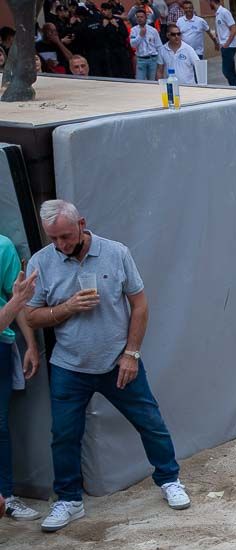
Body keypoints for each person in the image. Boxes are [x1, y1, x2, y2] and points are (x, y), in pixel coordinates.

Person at [23, 200, 191, 532]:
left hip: (117, 361)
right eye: (54, 239)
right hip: (69, 367)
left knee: (150, 422)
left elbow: (140, 304)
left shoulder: (116, 253)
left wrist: (132, 353)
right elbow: (31, 315)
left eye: (66, 237)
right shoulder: (42, 263)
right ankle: (69, 500)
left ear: (82, 223)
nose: (61, 245)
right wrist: (67, 307)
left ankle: (169, 480)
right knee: (64, 436)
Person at [0, 256, 39, 522]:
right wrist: (17, 301)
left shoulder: (2, 247)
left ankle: (5, 497)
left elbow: (19, 299)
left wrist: (31, 345)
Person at [209, 0, 236, 86]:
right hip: (224, 45)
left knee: (226, 71)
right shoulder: (218, 13)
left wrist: (227, 44)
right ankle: (235, 88)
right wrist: (217, 43)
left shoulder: (224, 12)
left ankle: (234, 86)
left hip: (229, 46)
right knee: (231, 70)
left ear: (212, 2)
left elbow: (234, 29)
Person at [129, 8, 163, 80]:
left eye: (141, 17)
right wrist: (140, 35)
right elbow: (133, 45)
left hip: (152, 59)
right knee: (140, 81)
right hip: (141, 60)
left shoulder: (153, 30)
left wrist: (160, 61)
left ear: (146, 18)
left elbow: (159, 46)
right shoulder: (133, 30)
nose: (139, 19)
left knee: (152, 82)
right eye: (138, 17)